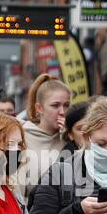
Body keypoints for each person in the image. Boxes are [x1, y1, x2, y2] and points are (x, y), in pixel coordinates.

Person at [20, 73, 71, 203]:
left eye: (66, 105)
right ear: (39, 108)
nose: (62, 111)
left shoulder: (70, 139)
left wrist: (71, 137)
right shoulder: (22, 139)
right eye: (55, 105)